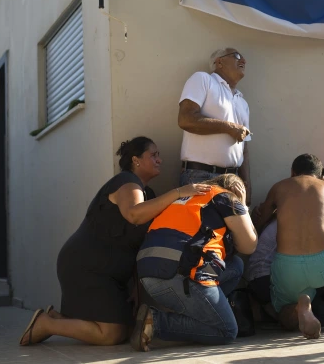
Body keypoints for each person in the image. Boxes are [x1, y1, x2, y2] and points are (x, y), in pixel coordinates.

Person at [19, 136, 211, 346]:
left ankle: (59, 318)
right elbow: (134, 214)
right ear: (136, 160)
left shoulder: (149, 194)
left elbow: (143, 245)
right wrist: (179, 192)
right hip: (86, 266)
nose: (160, 160)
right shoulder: (126, 183)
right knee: (112, 334)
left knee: (127, 330)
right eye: (154, 155)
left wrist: (137, 291)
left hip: (111, 275)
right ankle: (45, 324)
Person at [131, 174, 258, 351]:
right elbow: (249, 246)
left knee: (235, 265)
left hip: (148, 276)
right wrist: (243, 205)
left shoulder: (185, 198)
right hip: (181, 275)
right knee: (227, 330)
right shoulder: (226, 198)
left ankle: (195, 314)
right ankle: (157, 321)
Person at [253, 154, 324, 339]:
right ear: (321, 175)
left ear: (292, 173)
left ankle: (298, 309)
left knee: (283, 312)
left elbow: (261, 223)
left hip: (288, 268)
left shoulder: (280, 187)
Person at [177, 48, 251, 204]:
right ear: (219, 62)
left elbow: (244, 148)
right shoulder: (203, 79)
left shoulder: (242, 102)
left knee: (228, 229)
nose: (243, 61)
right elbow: (185, 119)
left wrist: (247, 184)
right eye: (237, 56)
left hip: (234, 179)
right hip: (200, 176)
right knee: (200, 228)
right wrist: (230, 128)